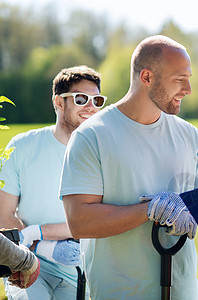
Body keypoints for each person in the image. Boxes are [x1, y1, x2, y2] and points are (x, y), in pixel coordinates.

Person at [59, 35, 198, 299]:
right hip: (118, 291)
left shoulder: (189, 135)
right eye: (179, 79)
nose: (188, 89)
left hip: (181, 289)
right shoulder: (92, 136)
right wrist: (150, 210)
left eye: (189, 77)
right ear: (147, 77)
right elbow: (79, 221)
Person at [0, 65, 105, 299]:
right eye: (81, 99)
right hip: (28, 267)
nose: (91, 107)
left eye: (97, 100)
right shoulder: (21, 147)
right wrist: (40, 247)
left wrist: (40, 233)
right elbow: (3, 215)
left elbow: (95, 219)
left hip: (81, 271)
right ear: (58, 102)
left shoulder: (105, 155)